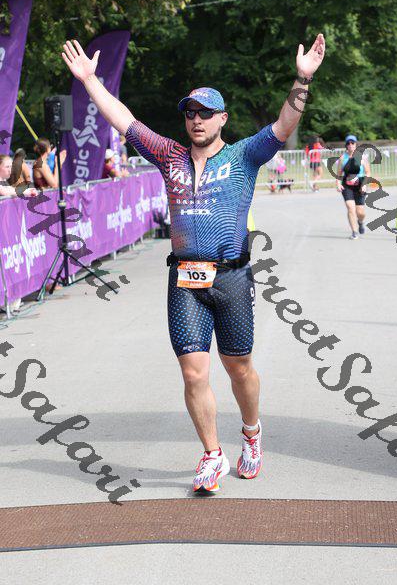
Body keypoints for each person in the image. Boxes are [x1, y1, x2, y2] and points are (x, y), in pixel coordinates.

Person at [62, 33, 325, 493]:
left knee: (239, 368)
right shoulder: (169, 156)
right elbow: (124, 120)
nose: (197, 120)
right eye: (190, 113)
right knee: (193, 371)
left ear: (223, 118)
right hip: (185, 279)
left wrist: (302, 79)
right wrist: (89, 82)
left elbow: (284, 125)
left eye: (206, 113)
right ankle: (212, 454)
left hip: (233, 277)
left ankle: (251, 433)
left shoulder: (244, 155)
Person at [336, 134, 370, 240]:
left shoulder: (362, 157)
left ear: (356, 144)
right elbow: (339, 174)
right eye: (348, 143)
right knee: (350, 208)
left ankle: (360, 222)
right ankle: (354, 232)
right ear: (346, 145)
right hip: (347, 186)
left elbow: (368, 172)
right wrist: (338, 183)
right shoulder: (342, 158)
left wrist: (364, 184)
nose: (350, 145)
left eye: (352, 143)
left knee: (360, 212)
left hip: (360, 185)